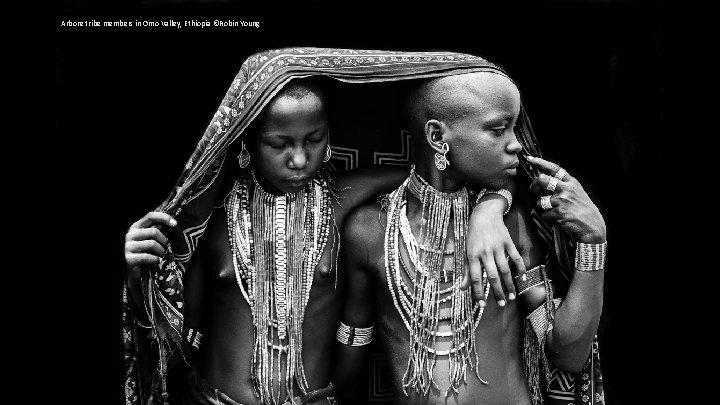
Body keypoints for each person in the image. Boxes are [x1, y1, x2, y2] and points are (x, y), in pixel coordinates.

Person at [122, 48, 525, 405]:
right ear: (246, 142)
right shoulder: (212, 215)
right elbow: (175, 334)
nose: (299, 160)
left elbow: (448, 167)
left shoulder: (344, 197)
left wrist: (492, 205)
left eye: (314, 139)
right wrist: (138, 273)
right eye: (279, 145)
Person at [334, 70, 606, 405]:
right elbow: (352, 346)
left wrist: (594, 239)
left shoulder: (511, 225)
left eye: (514, 128)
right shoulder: (369, 231)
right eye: (497, 129)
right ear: (437, 137)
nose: (515, 144)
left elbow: (567, 355)